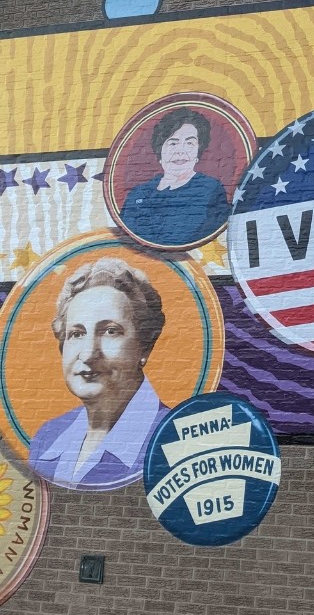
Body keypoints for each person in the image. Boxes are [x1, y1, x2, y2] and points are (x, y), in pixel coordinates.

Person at [29, 258, 169, 491]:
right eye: (76, 333)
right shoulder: (47, 439)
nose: (88, 353)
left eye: (110, 331)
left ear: (144, 346)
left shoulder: (173, 439)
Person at [120, 107, 230, 248]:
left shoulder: (210, 190)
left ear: (198, 150)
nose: (180, 151)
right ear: (160, 150)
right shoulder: (137, 194)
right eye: (173, 143)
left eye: (190, 143)